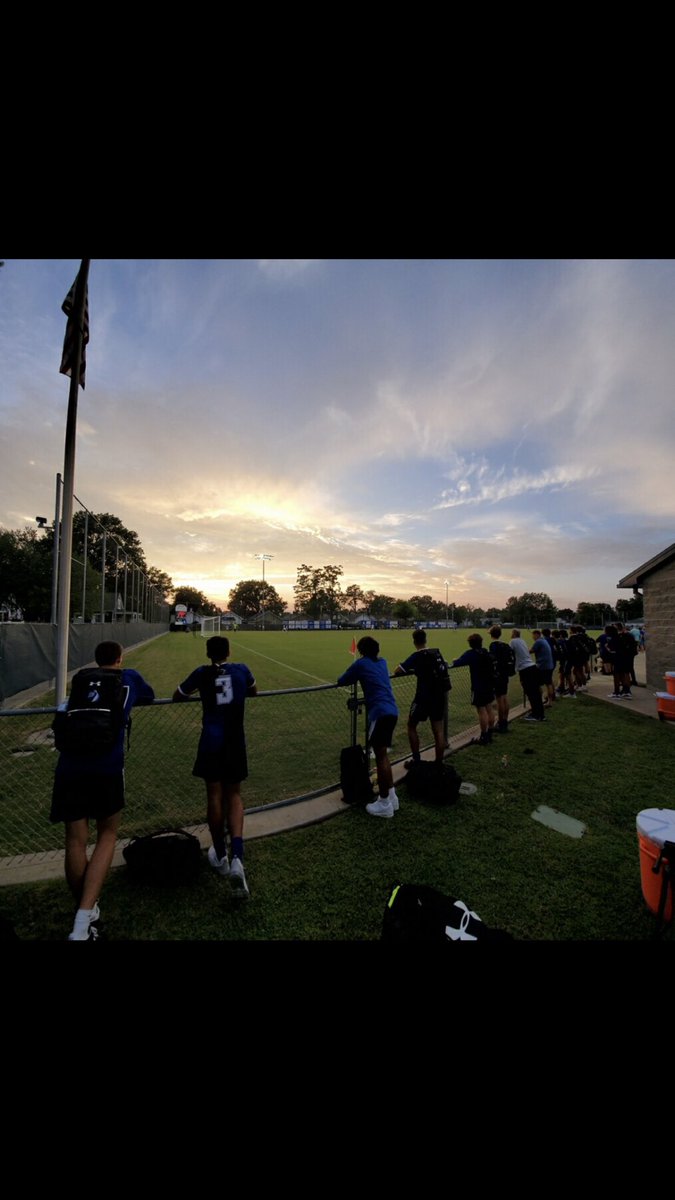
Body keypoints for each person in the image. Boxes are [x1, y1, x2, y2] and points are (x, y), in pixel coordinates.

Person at [50, 640, 155, 941]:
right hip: (107, 767)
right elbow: (148, 695)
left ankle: (85, 912)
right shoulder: (128, 677)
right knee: (107, 835)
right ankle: (83, 921)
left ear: (96, 660)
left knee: (75, 841)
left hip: (69, 766)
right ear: (120, 658)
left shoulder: (80, 679)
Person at [172, 636, 256, 898]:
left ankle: (220, 854)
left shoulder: (201, 673)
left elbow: (178, 695)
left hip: (211, 741)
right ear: (229, 651)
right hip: (235, 741)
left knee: (215, 797)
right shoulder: (241, 670)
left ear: (208, 653)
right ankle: (237, 857)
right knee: (235, 795)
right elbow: (253, 690)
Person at [337, 636, 399, 818]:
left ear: (362, 651)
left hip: (379, 713)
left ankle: (384, 803)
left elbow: (342, 680)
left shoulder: (361, 664)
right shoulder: (383, 662)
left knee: (380, 758)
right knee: (383, 756)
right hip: (392, 710)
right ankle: (392, 797)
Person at [393, 628, 449, 768]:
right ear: (425, 639)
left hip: (423, 697)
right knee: (438, 730)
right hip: (439, 695)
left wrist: (414, 669)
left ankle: (416, 760)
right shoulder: (436, 652)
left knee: (411, 725)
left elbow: (398, 670)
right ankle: (439, 763)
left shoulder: (416, 656)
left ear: (414, 641)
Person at [450, 633, 496, 745]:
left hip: (478, 686)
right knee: (489, 708)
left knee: (481, 711)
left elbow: (457, 662)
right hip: (489, 684)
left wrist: (455, 660)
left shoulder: (470, 654)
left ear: (470, 643)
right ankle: (490, 733)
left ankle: (484, 736)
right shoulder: (485, 652)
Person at [510, 629, 546, 722]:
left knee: (531, 693)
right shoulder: (522, 641)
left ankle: (536, 715)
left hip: (525, 670)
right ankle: (539, 714)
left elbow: (509, 653)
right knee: (536, 693)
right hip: (532, 667)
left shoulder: (513, 641)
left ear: (513, 634)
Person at [488, 624, 513, 734]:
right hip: (505, 674)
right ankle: (505, 721)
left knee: (499, 699)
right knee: (504, 697)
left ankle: (501, 722)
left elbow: (492, 660)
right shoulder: (505, 645)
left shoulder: (493, 646)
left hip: (498, 675)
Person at [531, 629, 556, 706]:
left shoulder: (538, 641)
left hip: (543, 666)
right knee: (549, 683)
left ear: (537, 634)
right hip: (549, 665)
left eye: (533, 635)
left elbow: (530, 651)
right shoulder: (543, 640)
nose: (532, 637)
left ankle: (542, 700)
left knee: (537, 683)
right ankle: (550, 700)